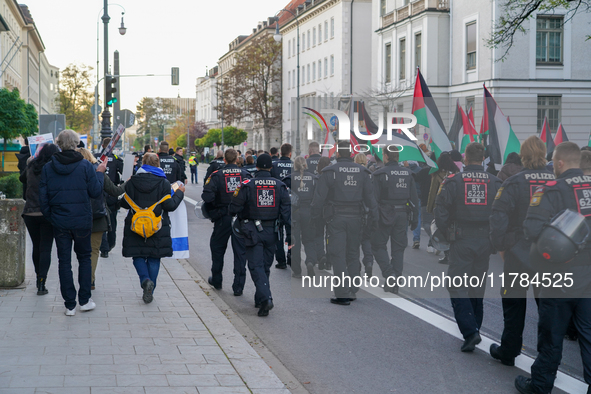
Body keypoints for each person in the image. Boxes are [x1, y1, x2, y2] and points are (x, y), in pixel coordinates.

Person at [515, 142, 591, 394]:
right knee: (588, 333)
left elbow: (532, 229)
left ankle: (540, 385)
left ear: (558, 163)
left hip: (559, 273)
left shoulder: (552, 190)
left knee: (551, 333)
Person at [489, 136, 553, 367]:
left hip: (518, 251)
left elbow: (498, 217)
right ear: (545, 153)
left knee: (513, 303)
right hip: (551, 253)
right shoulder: (558, 181)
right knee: (548, 309)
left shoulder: (514, 182)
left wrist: (502, 246)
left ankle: (509, 350)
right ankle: (547, 358)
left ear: (523, 156)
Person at [434, 142, 502, 352]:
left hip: (461, 238)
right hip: (484, 240)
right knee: (476, 287)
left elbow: (440, 210)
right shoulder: (495, 181)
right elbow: (501, 214)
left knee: (456, 285)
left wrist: (447, 235)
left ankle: (470, 332)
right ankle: (474, 328)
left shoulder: (454, 181)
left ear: (465, 159)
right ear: (483, 160)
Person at [39, 129, 106, 316]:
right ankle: (84, 301)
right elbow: (95, 192)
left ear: (59, 144)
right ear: (76, 144)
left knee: (64, 261)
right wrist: (99, 173)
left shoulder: (48, 167)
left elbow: (43, 199)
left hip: (60, 221)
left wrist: (52, 217)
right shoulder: (85, 166)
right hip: (82, 221)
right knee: (84, 258)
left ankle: (69, 304)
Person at [311, 141, 378, 305]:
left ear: (338, 154)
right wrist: (374, 220)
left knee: (337, 255)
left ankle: (342, 293)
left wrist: (315, 221)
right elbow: (371, 199)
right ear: (351, 154)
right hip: (357, 218)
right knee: (353, 253)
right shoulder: (363, 171)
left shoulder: (329, 171)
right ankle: (352, 289)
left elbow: (318, 200)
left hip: (336, 219)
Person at [228, 153, 291, 317]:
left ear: (256, 166)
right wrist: (289, 236)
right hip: (272, 232)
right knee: (264, 266)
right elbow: (287, 214)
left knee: (256, 266)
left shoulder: (247, 184)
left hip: (252, 231)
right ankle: (260, 299)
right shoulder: (280, 185)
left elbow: (233, 208)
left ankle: (266, 299)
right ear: (271, 167)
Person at [120, 153, 185, 303]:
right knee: (154, 258)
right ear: (158, 164)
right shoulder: (164, 183)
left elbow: (123, 203)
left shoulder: (132, 181)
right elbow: (170, 206)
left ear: (143, 163)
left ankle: (145, 280)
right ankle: (150, 290)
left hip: (135, 226)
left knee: (138, 255)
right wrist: (179, 194)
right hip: (158, 226)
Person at [201, 148, 251, 295]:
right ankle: (238, 286)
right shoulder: (245, 174)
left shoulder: (216, 175)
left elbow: (207, 197)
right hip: (241, 219)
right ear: (236, 159)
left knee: (217, 248)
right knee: (240, 252)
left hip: (223, 217)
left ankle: (217, 279)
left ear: (224, 160)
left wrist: (214, 211)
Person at [77, 147, 126, 291]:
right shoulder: (98, 171)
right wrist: (127, 182)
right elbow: (115, 191)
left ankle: (84, 278)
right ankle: (90, 280)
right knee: (93, 251)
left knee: (81, 251)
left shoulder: (73, 172)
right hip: (97, 216)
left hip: (78, 217)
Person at [371, 149, 419, 294]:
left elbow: (373, 199)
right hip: (402, 214)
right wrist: (415, 219)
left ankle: (389, 273)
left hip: (384, 214)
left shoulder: (379, 174)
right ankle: (395, 281)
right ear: (397, 157)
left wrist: (373, 219)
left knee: (378, 246)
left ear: (385, 156)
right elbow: (414, 199)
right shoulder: (408, 174)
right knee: (398, 249)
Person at [20, 143, 59, 295]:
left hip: (30, 213)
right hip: (47, 214)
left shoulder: (32, 166)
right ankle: (41, 282)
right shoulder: (53, 168)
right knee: (45, 248)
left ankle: (38, 276)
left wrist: (29, 161)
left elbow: (21, 178)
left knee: (36, 246)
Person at [286, 156, 317, 278]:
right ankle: (310, 261)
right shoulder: (314, 178)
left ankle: (297, 270)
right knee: (309, 240)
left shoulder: (290, 178)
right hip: (308, 212)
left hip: (294, 212)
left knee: (295, 242)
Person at [427, 152, 460, 263]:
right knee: (454, 228)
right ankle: (453, 252)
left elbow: (432, 192)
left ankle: (447, 254)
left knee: (443, 229)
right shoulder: (456, 173)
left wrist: (430, 207)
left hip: (441, 206)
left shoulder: (437, 174)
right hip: (454, 205)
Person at [97, 137, 124, 258]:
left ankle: (104, 248)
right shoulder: (117, 159)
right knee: (112, 221)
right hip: (112, 194)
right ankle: (110, 243)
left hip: (98, 192)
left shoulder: (95, 156)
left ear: (102, 145)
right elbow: (125, 174)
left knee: (101, 221)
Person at [271, 144, 294, 269]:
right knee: (291, 231)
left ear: (280, 152)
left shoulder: (274, 166)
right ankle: (291, 255)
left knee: (278, 232)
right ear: (290, 153)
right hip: (291, 203)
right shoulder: (295, 165)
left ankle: (281, 260)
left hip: (277, 203)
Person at [354, 153, 375, 277]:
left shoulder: (354, 174)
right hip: (369, 212)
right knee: (367, 240)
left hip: (357, 212)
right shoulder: (370, 175)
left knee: (354, 242)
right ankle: (369, 262)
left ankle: (356, 266)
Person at [315, 156, 332, 270]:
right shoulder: (332, 178)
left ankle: (321, 256)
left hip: (319, 209)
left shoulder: (316, 178)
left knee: (318, 234)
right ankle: (329, 260)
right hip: (330, 209)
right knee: (330, 235)